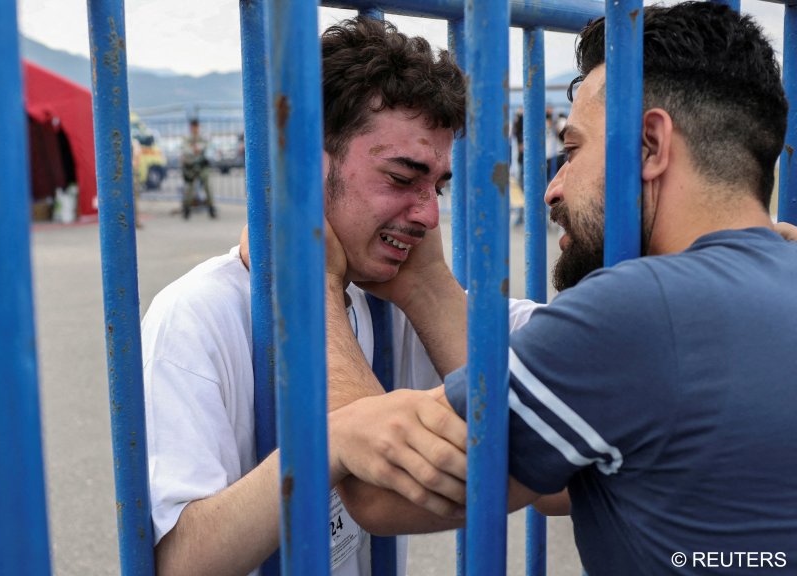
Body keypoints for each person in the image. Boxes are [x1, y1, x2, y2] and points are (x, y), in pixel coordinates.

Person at [331, 3, 797, 574]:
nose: (552, 188)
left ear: (649, 145)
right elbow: (561, 480)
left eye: (572, 151)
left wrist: (311, 288)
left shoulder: (640, 310)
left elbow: (381, 491)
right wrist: (427, 286)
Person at [141, 17, 527, 576]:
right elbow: (179, 561)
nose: (430, 214)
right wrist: (330, 443)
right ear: (303, 167)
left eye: (437, 186)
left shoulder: (382, 300)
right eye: (401, 178)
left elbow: (530, 419)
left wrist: (425, 285)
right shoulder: (197, 314)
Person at [181, 118, 217, 220]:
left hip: (202, 166)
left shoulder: (202, 137)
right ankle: (186, 209)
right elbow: (185, 150)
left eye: (196, 126)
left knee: (207, 187)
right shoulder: (187, 138)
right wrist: (194, 150)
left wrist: (198, 148)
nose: (195, 129)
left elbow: (208, 146)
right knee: (190, 189)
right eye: (193, 127)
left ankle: (211, 209)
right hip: (191, 167)